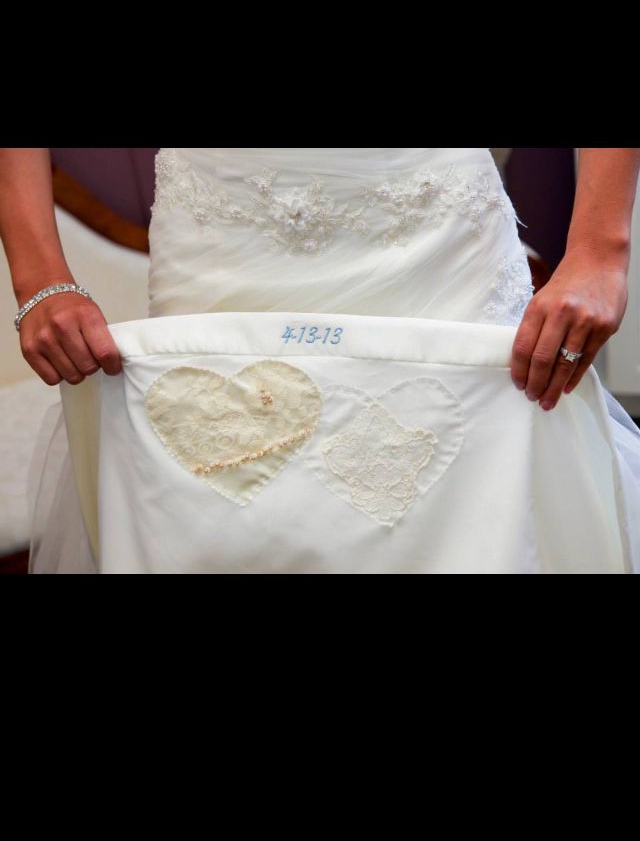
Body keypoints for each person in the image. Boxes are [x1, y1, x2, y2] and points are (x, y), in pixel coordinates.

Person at [1, 147, 639, 573]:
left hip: (437, 243)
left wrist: (600, 248)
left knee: (474, 523)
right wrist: (38, 277)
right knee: (220, 520)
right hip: (222, 240)